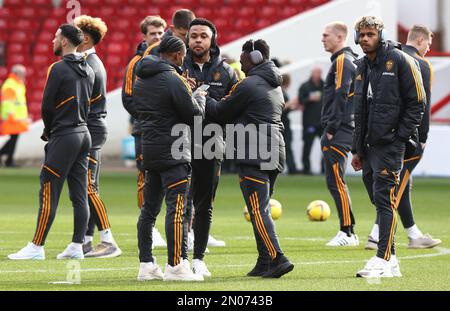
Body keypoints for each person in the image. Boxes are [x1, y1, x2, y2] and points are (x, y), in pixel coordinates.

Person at [206, 39, 294, 278]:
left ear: (254, 57)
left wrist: (202, 97)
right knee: (260, 207)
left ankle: (277, 257)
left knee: (258, 209)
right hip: (275, 151)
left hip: (254, 151)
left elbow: (219, 113)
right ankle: (264, 260)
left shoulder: (249, 84)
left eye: (244, 57)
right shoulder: (274, 84)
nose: (240, 62)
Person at [8, 24, 94, 260]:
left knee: (49, 188)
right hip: (84, 134)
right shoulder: (89, 69)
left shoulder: (57, 69)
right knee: (79, 193)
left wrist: (49, 130)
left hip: (65, 135)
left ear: (64, 41)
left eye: (55, 37)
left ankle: (36, 247)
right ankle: (77, 246)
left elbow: (47, 106)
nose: (52, 40)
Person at [351, 16, 425, 278]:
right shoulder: (361, 66)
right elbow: (359, 110)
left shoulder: (400, 60)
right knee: (378, 200)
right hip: (369, 147)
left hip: (390, 145)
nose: (364, 39)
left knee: (384, 200)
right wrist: (357, 149)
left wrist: (399, 137)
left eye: (369, 34)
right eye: (361, 35)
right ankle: (391, 258)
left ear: (380, 35)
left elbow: (417, 101)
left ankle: (382, 258)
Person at [134, 36, 206, 281]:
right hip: (175, 150)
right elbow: (192, 114)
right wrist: (199, 97)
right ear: (176, 54)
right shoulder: (173, 79)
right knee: (177, 209)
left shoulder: (140, 78)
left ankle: (146, 264)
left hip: (150, 149)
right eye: (183, 54)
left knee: (149, 210)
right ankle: (176, 266)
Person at [365, 24, 441, 250]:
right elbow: (421, 104)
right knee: (396, 185)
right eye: (428, 43)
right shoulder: (421, 64)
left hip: (379, 133)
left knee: (401, 184)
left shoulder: (387, 58)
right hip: (406, 137)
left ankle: (413, 234)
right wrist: (423, 137)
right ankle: (376, 234)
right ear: (420, 40)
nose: (428, 48)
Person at [182, 18, 238, 277]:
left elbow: (235, 108)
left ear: (213, 39)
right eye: (194, 36)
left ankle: (199, 258)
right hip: (179, 142)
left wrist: (210, 105)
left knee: (204, 204)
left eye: (203, 36)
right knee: (180, 202)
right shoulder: (177, 66)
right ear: (187, 38)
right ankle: (179, 258)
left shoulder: (226, 72)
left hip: (211, 143)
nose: (198, 40)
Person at [74, 15, 121, 258]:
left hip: (91, 129)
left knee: (88, 187)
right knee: (90, 186)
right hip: (95, 128)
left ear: (84, 37)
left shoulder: (89, 65)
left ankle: (109, 240)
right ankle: (86, 240)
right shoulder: (92, 61)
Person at [122, 15, 168, 248]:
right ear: (145, 36)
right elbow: (128, 99)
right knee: (146, 177)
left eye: (161, 33)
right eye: (153, 34)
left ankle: (185, 228)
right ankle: (150, 227)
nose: (158, 38)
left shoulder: (172, 60)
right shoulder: (136, 63)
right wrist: (149, 117)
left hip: (171, 130)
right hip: (145, 130)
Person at [321, 22, 359, 246]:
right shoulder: (347, 60)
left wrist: (332, 129)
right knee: (335, 180)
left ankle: (347, 232)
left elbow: (340, 94)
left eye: (326, 35)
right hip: (347, 128)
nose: (322, 39)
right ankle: (350, 230)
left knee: (336, 180)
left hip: (341, 130)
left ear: (340, 37)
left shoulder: (343, 61)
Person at [0, 64, 28, 167]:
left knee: (13, 139)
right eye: (22, 73)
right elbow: (7, 102)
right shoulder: (11, 84)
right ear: (16, 73)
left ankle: (9, 159)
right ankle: (8, 160)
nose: (24, 75)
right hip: (12, 117)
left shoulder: (18, 83)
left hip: (17, 117)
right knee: (12, 140)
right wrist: (10, 115)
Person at [298, 67, 324, 175]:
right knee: (307, 146)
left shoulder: (326, 85)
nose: (317, 75)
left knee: (326, 147)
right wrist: (309, 99)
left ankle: (324, 169)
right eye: (315, 73)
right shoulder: (305, 86)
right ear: (312, 74)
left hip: (323, 122)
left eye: (319, 73)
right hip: (309, 122)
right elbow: (300, 100)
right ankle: (306, 169)